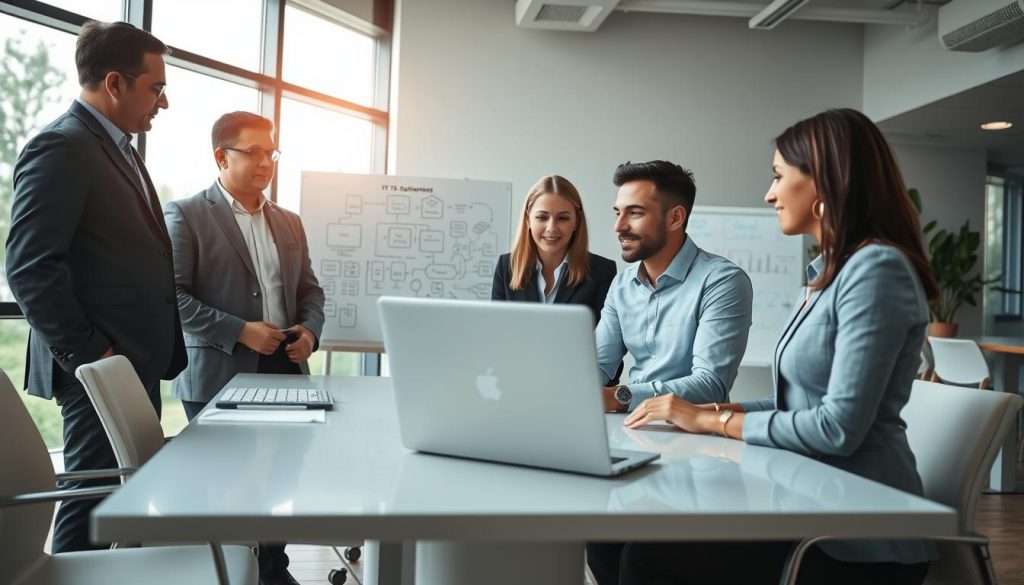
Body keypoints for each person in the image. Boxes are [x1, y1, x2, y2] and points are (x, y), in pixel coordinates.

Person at [600, 109, 939, 585]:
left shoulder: (876, 270)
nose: (769, 193)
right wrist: (717, 410)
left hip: (856, 533)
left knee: (650, 558)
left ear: (823, 182)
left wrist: (709, 418)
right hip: (807, 500)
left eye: (779, 176)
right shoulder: (828, 275)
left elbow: (837, 429)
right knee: (615, 537)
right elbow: (794, 403)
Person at [5, 21, 184, 553]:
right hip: (98, 370)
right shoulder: (63, 147)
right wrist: (96, 357)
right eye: (156, 87)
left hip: (127, 362)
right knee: (91, 506)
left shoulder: (116, 147)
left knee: (117, 502)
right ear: (114, 83)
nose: (164, 103)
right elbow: (31, 268)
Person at [164, 111, 324, 585]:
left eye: (270, 152)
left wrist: (310, 332)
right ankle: (237, 573)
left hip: (284, 364)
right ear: (221, 156)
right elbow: (173, 297)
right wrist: (240, 330)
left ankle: (275, 570)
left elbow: (311, 291)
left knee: (280, 478)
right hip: (219, 370)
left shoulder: (289, 222)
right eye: (253, 152)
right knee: (231, 486)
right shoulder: (186, 214)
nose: (265, 162)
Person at [595, 160, 753, 410]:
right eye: (618, 212)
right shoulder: (622, 285)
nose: (619, 226)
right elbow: (596, 367)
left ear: (675, 218)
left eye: (634, 213)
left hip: (694, 434)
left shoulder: (723, 281)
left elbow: (709, 385)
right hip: (630, 426)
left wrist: (619, 396)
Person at [491, 175, 616, 325]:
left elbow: (603, 342)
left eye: (562, 218)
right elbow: (496, 330)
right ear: (527, 220)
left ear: (577, 222)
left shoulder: (602, 271)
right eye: (542, 217)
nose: (551, 228)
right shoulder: (506, 267)